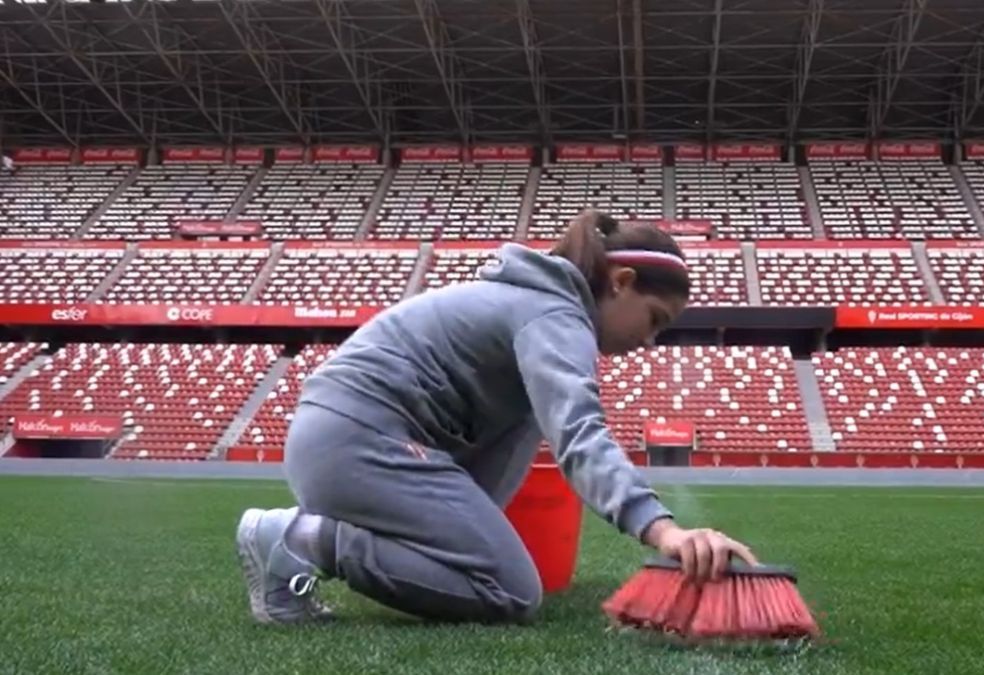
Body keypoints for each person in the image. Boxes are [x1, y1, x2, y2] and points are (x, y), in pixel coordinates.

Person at [235, 209, 759, 625]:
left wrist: (477, 536)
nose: (648, 341)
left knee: (527, 432)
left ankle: (294, 566)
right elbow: (579, 434)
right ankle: (300, 538)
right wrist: (662, 530)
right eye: (655, 320)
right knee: (509, 590)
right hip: (358, 442)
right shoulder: (555, 314)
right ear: (621, 281)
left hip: (344, 441)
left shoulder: (533, 304)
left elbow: (536, 435)